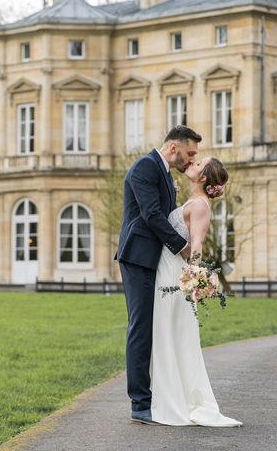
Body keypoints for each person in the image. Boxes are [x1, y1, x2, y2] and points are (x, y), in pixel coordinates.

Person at [116, 125, 200, 424]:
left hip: (157, 259)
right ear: (173, 147)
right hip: (138, 257)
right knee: (141, 327)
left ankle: (159, 395)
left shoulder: (164, 173)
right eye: (190, 153)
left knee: (157, 327)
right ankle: (140, 403)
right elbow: (151, 215)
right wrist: (183, 247)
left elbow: (167, 216)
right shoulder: (145, 167)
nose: (191, 160)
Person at [150, 156, 242, 427]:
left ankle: (177, 401)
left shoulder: (200, 206)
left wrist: (194, 277)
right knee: (166, 333)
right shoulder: (191, 202)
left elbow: (198, 244)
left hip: (174, 275)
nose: (193, 162)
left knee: (173, 334)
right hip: (166, 268)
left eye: (199, 163)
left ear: (202, 177)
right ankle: (168, 395)